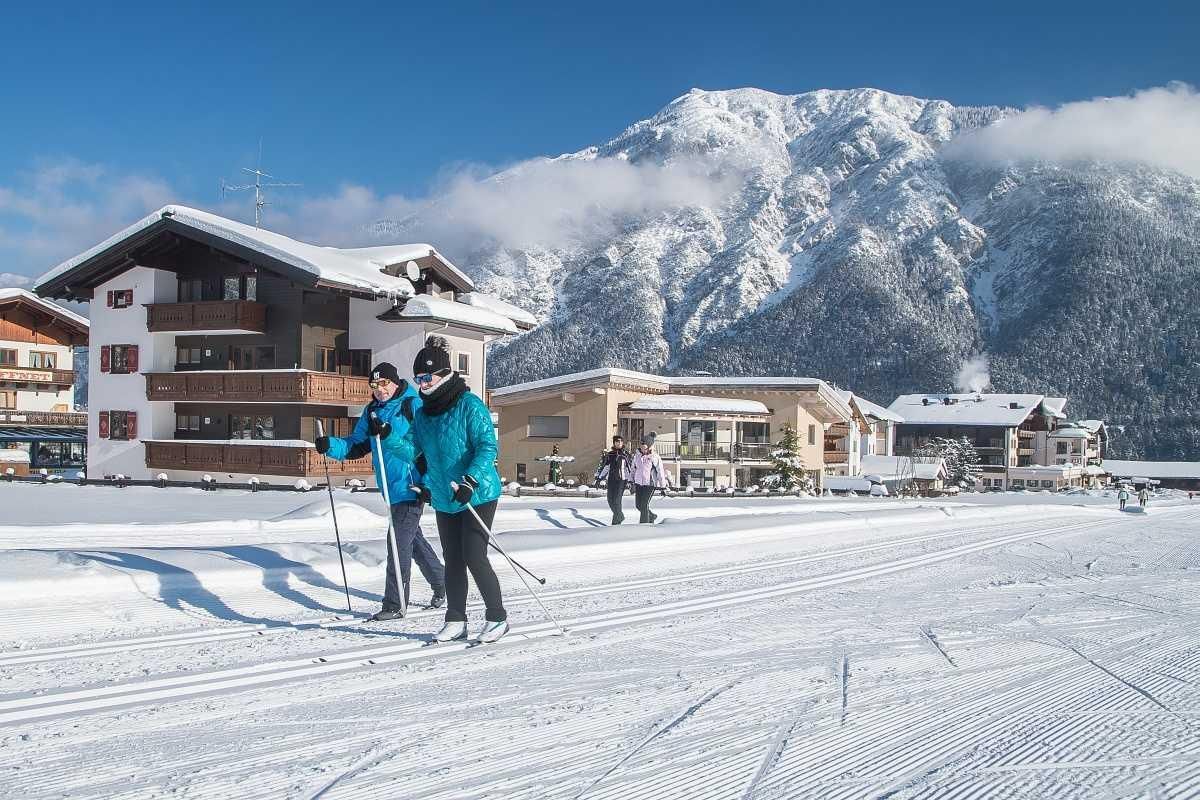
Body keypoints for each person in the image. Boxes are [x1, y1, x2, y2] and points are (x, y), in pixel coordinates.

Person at [316, 362, 445, 621]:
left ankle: (395, 604)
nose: (380, 390)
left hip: (412, 486)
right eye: (374, 385)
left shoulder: (412, 405)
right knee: (412, 541)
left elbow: (432, 446)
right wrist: (329, 445)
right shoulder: (372, 410)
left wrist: (429, 483)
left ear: (395, 382)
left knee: (397, 544)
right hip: (390, 488)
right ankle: (443, 583)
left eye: (384, 383)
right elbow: (357, 445)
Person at [408, 336, 508, 644]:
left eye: (427, 377)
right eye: (418, 379)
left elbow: (488, 447)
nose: (423, 384)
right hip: (445, 496)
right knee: (452, 559)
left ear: (445, 374)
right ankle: (455, 619)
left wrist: (470, 480)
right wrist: (387, 437)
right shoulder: (423, 414)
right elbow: (416, 451)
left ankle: (497, 618)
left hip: (478, 492)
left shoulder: (469, 404)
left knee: (473, 555)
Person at [631, 435, 670, 524]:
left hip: (650, 484)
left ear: (649, 445)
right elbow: (633, 469)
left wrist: (663, 486)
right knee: (638, 505)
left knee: (644, 505)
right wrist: (631, 480)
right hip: (638, 483)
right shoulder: (637, 456)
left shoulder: (655, 457)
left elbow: (660, 472)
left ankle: (644, 526)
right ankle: (651, 516)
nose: (641, 446)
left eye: (644, 444)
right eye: (641, 444)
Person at [594, 435, 633, 524]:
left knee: (616, 501)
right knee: (610, 500)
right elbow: (606, 467)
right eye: (617, 441)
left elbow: (629, 469)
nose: (619, 443)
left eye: (621, 441)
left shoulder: (625, 455)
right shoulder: (610, 454)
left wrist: (630, 481)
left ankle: (617, 521)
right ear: (614, 443)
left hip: (621, 480)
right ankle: (619, 516)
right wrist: (599, 478)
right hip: (611, 480)